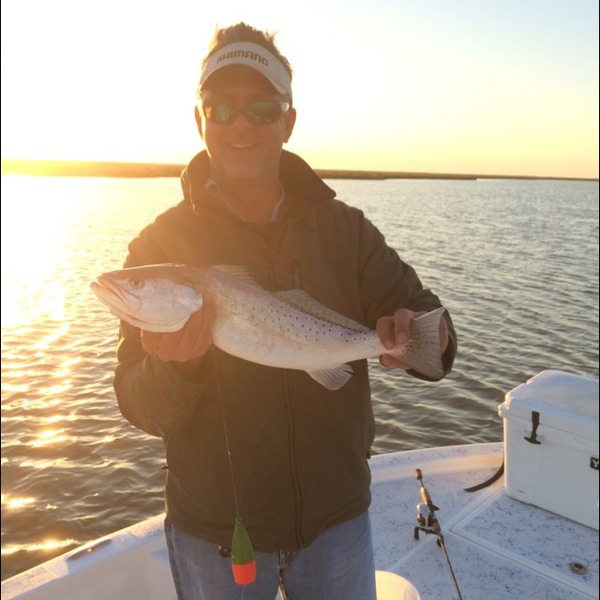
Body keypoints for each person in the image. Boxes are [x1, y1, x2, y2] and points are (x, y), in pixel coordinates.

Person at [113, 22, 457, 600]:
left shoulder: (346, 231)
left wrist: (428, 338)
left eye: (261, 108)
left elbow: (428, 322)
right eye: (221, 108)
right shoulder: (158, 246)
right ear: (199, 119)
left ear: (288, 121)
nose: (239, 125)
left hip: (336, 522)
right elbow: (138, 404)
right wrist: (177, 367)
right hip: (214, 534)